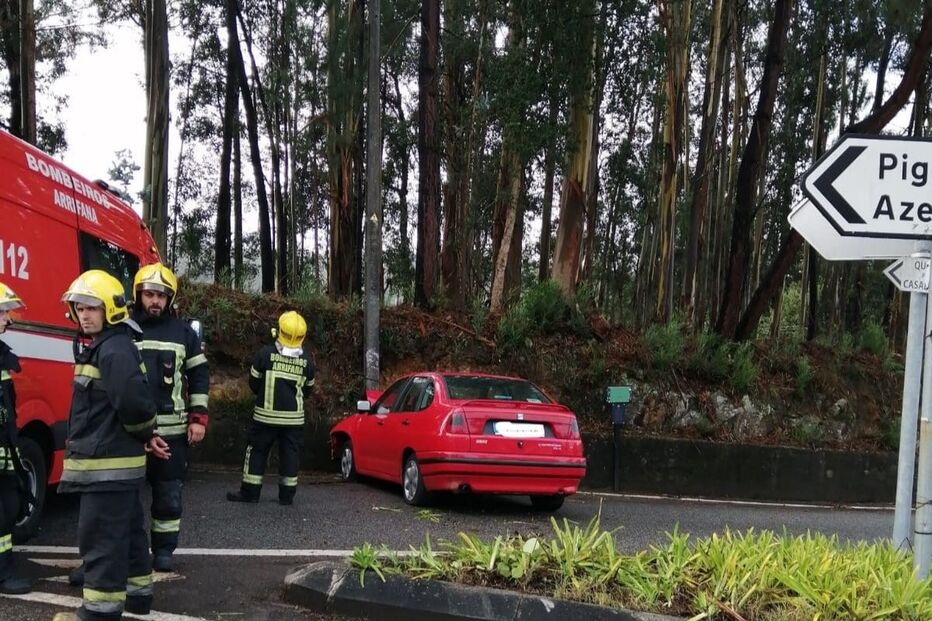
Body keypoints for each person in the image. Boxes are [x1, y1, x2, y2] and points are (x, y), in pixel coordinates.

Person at [55, 270, 169, 621]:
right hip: (116, 469)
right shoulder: (112, 345)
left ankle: (98, 614)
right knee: (130, 535)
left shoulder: (113, 349)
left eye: (92, 307)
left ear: (110, 310)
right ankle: (138, 597)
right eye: (79, 308)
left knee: (102, 542)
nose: (84, 315)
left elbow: (134, 405)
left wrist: (145, 431)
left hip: (104, 469)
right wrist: (146, 435)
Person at [132, 263, 209, 572]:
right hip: (131, 433)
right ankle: (124, 551)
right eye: (149, 294)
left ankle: (163, 550)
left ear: (170, 299)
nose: (155, 301)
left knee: (168, 497)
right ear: (138, 295)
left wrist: (198, 418)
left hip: (173, 432)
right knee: (121, 498)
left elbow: (199, 375)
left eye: (161, 296)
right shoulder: (124, 328)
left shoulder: (184, 333)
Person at [227, 311, 314, 505]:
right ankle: (287, 496)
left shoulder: (265, 354)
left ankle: (250, 493)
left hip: (265, 418)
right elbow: (308, 390)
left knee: (257, 452)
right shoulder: (307, 362)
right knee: (290, 456)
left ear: (279, 331)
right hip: (294, 422)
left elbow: (254, 383)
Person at [0, 282, 32, 594]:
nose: (8, 319)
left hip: (5, 449)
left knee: (9, 506)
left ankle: (4, 568)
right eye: (3, 313)